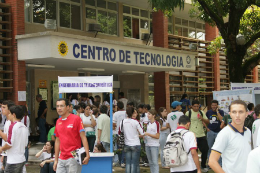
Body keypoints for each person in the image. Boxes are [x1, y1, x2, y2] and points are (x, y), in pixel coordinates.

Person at [209, 100, 251, 173]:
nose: (237, 115)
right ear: (230, 114)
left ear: (246, 114)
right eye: (234, 112)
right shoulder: (225, 133)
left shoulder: (248, 132)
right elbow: (212, 161)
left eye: (241, 112)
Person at [53, 98, 90, 173]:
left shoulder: (76, 119)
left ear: (67, 107)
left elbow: (83, 137)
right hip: (61, 158)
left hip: (74, 157)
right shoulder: (58, 121)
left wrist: (87, 155)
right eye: (57, 106)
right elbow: (57, 141)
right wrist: (56, 160)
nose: (59, 108)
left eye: (62, 106)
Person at [0, 105, 28, 173]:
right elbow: (25, 145)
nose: (8, 115)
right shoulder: (24, 127)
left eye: (9, 113)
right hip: (21, 159)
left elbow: (9, 144)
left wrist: (1, 149)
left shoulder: (12, 126)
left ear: (14, 115)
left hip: (13, 161)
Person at [185, 100, 209, 172]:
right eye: (194, 106)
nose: (196, 108)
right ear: (191, 106)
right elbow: (184, 122)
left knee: (205, 150)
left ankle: (203, 165)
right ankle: (193, 166)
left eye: (197, 106)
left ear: (199, 106)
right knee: (193, 152)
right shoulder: (188, 113)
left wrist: (202, 119)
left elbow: (208, 122)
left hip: (201, 134)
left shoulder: (201, 112)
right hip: (192, 135)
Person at [119, 107, 144, 173]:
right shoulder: (136, 122)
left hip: (127, 144)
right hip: (136, 144)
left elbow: (120, 132)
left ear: (126, 113)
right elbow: (142, 133)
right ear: (133, 113)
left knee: (128, 163)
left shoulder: (122, 122)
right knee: (134, 163)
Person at [205, 100, 224, 166]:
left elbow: (222, 120)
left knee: (219, 148)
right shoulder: (208, 112)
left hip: (219, 132)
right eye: (213, 105)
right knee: (210, 148)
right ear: (211, 105)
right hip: (210, 132)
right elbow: (205, 120)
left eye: (215, 105)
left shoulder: (221, 112)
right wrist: (207, 128)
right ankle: (210, 164)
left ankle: (220, 164)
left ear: (217, 105)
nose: (214, 106)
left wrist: (217, 112)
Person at [0, 100, 15, 172]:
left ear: (9, 110)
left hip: (9, 154)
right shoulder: (7, 121)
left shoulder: (9, 122)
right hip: (6, 153)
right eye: (1, 107)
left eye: (4, 107)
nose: (1, 109)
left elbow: (7, 138)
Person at [112, 101, 126, 167]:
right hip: (126, 133)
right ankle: (123, 162)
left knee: (119, 148)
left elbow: (114, 124)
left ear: (117, 106)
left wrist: (115, 127)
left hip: (118, 133)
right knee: (124, 147)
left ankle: (120, 161)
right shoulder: (126, 112)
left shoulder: (116, 114)